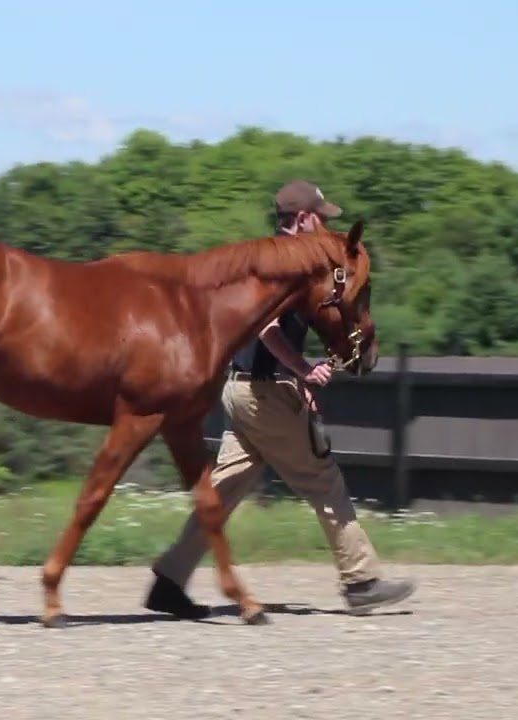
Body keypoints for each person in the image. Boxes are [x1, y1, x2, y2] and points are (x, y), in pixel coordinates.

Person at [144, 180, 417, 618]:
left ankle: (169, 581)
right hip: (265, 391)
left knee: (223, 491)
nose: (324, 225)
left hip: (241, 388)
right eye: (320, 217)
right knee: (323, 479)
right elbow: (266, 327)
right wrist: (302, 369)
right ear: (304, 218)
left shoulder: (267, 259)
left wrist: (298, 376)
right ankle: (361, 580)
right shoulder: (286, 263)